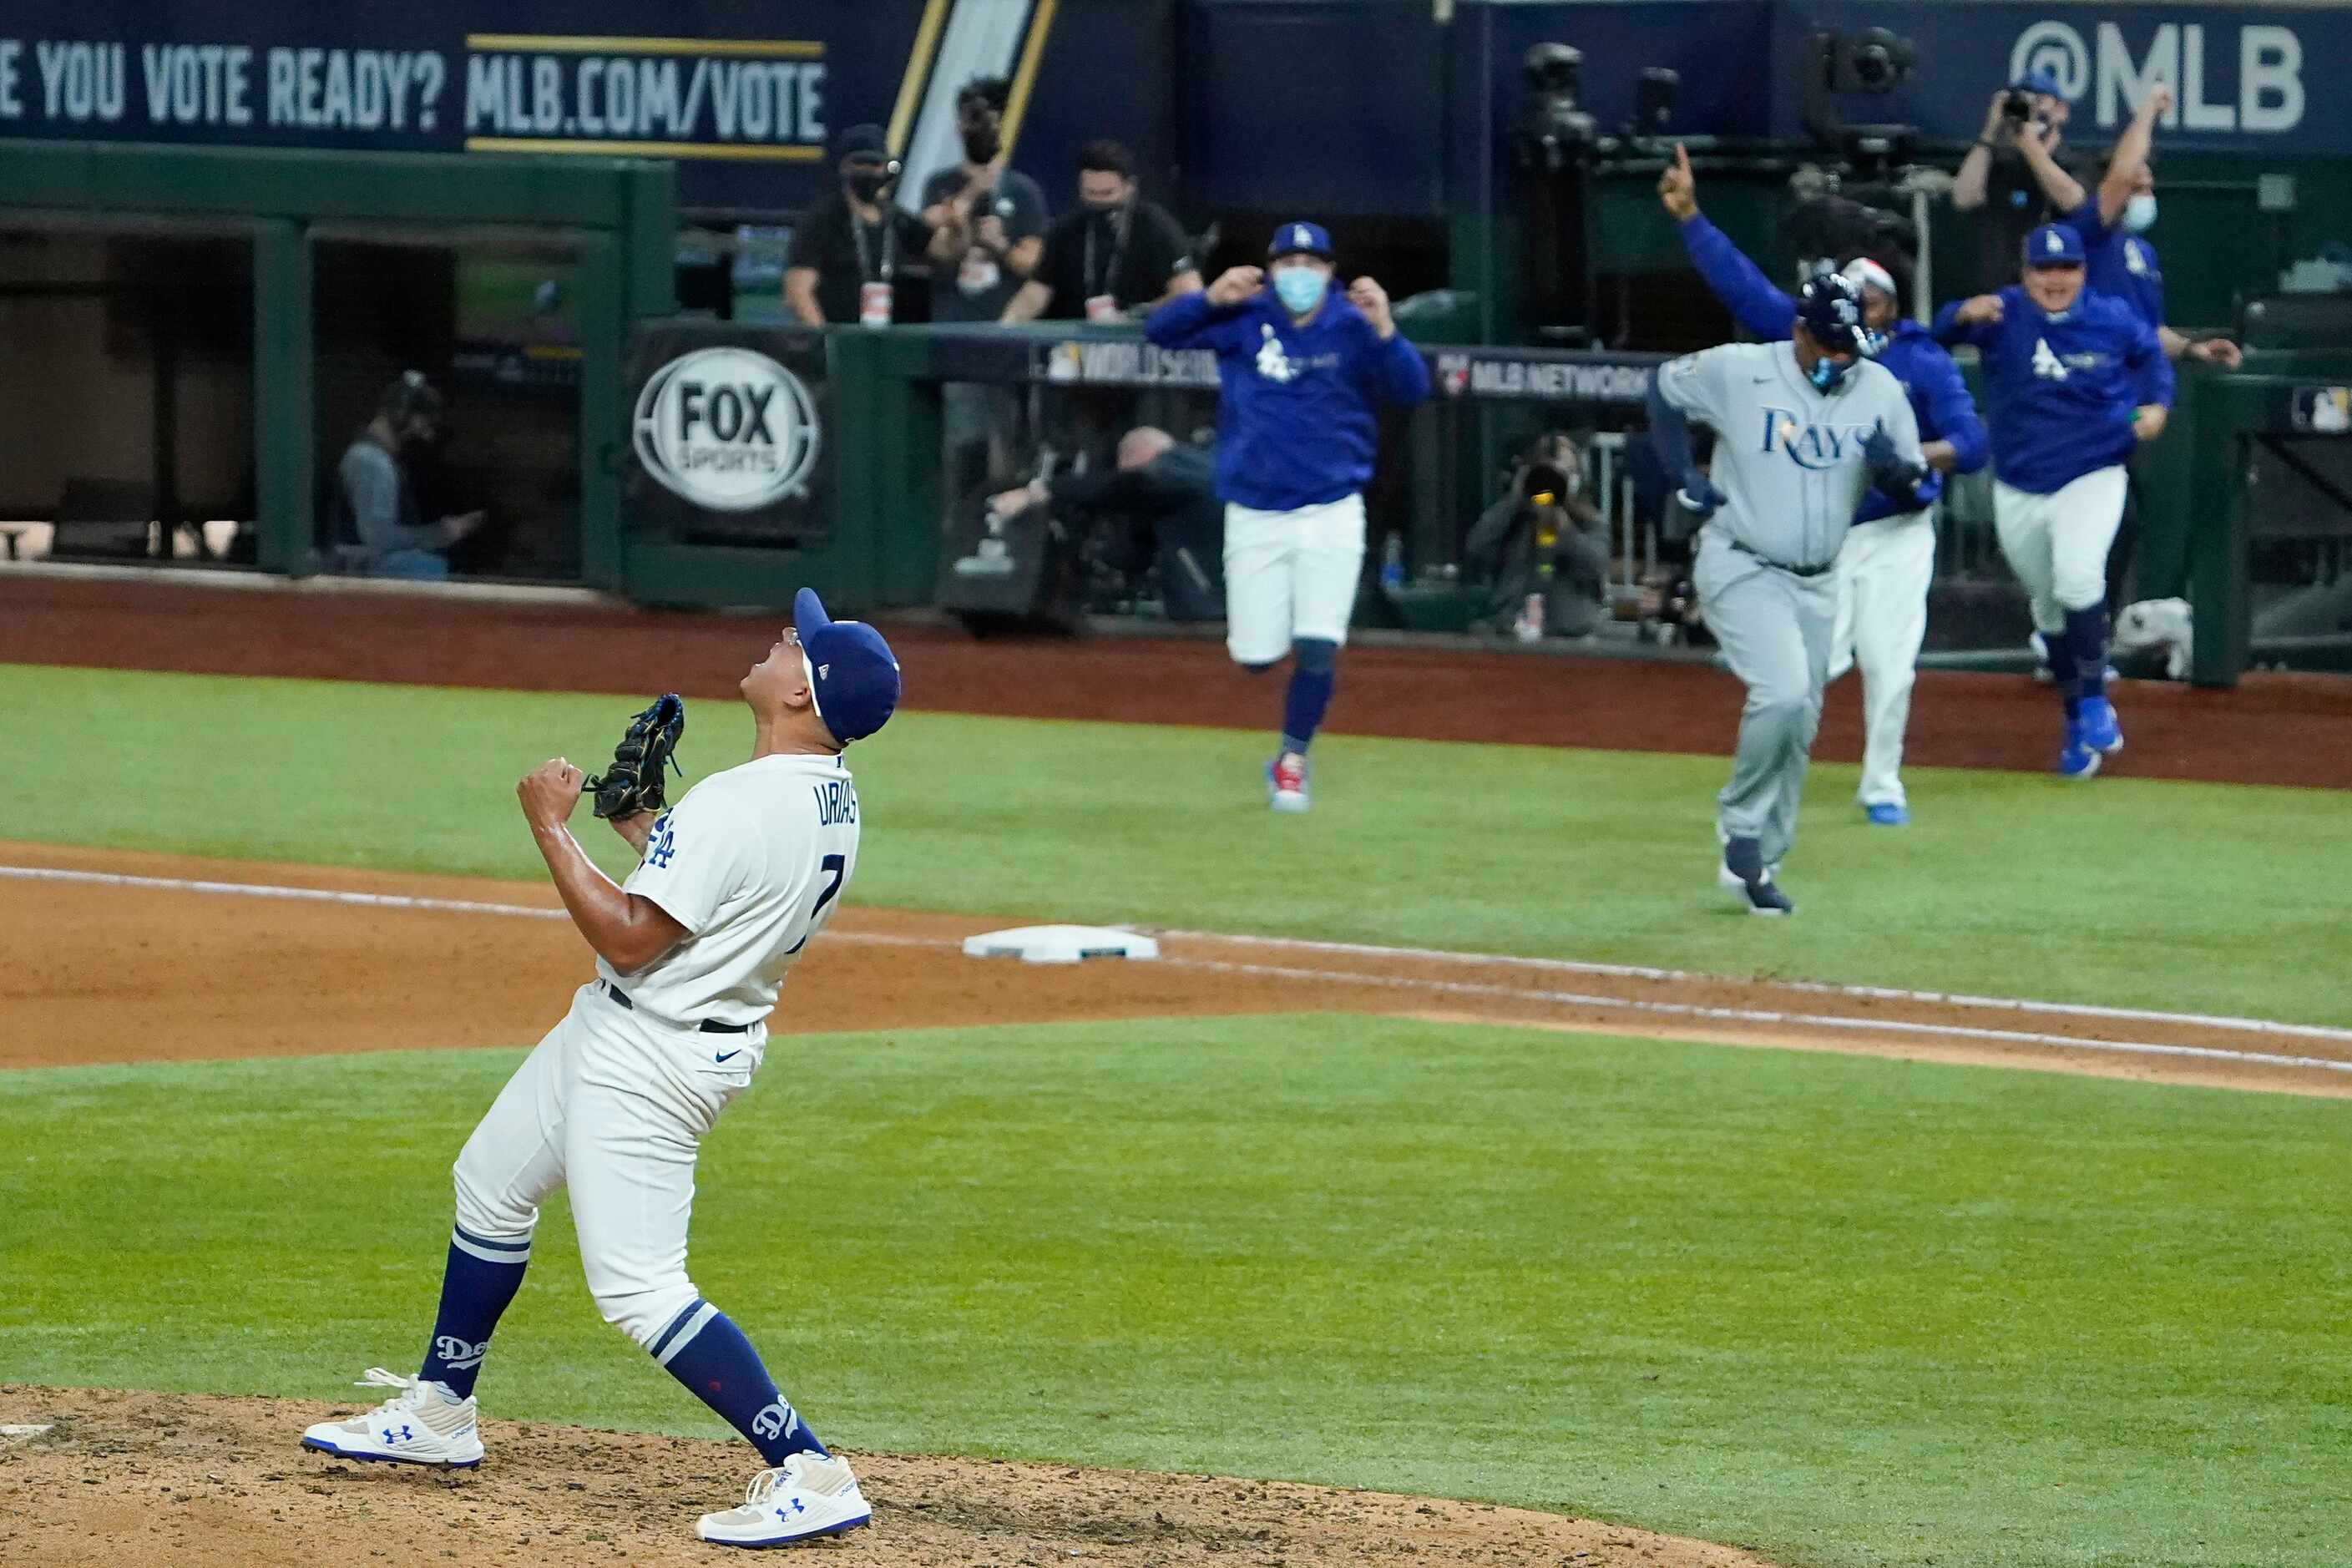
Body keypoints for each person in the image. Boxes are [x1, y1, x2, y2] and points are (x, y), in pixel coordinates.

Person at [297, 589, 903, 1550]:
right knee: (490, 1186)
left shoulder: (740, 803)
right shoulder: (826, 793)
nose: (783, 639)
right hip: (639, 1030)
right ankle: (441, 1410)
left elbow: (631, 938)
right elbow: (717, 893)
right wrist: (645, 827)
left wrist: (550, 825)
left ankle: (809, 1469)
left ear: (804, 697)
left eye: (798, 645)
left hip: (653, 1055)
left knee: (640, 1289)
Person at [1659, 143, 1988, 827]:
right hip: (1828, 532)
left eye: (1872, 300)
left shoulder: (1920, 362)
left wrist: (1909, 453)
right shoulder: (1814, 338)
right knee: (1807, 670)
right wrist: (1692, 219)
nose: (1860, 308)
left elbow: (1972, 442)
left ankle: (1881, 784)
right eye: (1852, 296)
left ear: (1892, 305)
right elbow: (1740, 284)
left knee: (1889, 663)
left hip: (1896, 531)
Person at [1646, 273, 1929, 914]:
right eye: (1826, 344)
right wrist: (1683, 474)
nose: (1837, 358)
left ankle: (1759, 865)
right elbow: (1661, 388)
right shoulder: (1740, 370)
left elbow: (1915, 489)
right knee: (1781, 690)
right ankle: (1739, 826)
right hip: (1742, 562)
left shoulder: (1879, 389)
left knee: (1800, 722)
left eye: (1847, 347)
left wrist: (1899, 480)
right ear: (1799, 331)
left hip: (1820, 577)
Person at [1145, 220, 1429, 810]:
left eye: (1312, 263)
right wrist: (1208, 297)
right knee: (1253, 656)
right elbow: (1160, 333)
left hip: (1331, 508)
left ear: (1329, 271)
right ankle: (1284, 740)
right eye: (1289, 262)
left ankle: (1292, 760)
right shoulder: (1243, 317)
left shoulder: (1351, 325)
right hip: (1255, 511)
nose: (1300, 274)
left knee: (1319, 644)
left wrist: (1384, 327)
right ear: (1271, 268)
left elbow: (1410, 388)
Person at [1934, 224, 2173, 779]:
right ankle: (2076, 719)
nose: (2055, 279)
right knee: (2047, 610)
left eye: (2066, 268)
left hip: (2092, 472)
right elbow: (1933, 336)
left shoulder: (2109, 316)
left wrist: (2157, 404)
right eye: (2044, 269)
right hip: (2019, 482)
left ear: (2082, 272)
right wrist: (1957, 314)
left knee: (2077, 579)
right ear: (2025, 273)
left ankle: (2092, 703)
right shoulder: (2003, 314)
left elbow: (2152, 359)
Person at [2015, 83, 2244, 620]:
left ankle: (2088, 630)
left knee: (2125, 520)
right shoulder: (2091, 235)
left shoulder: (2142, 252)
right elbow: (2116, 177)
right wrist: (2148, 112)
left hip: (2130, 398)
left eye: (2149, 184)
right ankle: (2061, 627)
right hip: (2084, 391)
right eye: (2136, 185)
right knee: (2097, 518)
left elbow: (2151, 329)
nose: (2143, 192)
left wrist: (2193, 349)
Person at [920, 75, 1050, 494]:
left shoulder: (1023, 191)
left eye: (986, 118)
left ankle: (1006, 520)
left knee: (1011, 434)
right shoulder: (940, 186)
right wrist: (963, 220)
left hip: (1008, 333)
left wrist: (999, 246)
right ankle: (964, 521)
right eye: (968, 119)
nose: (976, 128)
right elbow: (939, 253)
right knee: (964, 437)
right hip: (956, 329)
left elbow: (1032, 263)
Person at [989, 426, 1226, 622]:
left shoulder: (1174, 466)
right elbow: (1135, 554)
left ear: (1134, 458)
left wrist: (1039, 491)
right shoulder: (1196, 473)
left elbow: (1120, 486)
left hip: (1210, 610)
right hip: (1225, 606)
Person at [1000, 140, 1200, 323]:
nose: (1099, 201)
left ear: (1129, 187)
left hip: (1141, 341)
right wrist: (1006, 326)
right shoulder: (1066, 230)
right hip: (1079, 344)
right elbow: (1037, 291)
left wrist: (1135, 314)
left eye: (1107, 193)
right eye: (1091, 193)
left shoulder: (1155, 226)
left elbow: (1188, 292)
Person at [1950, 68, 2096, 297]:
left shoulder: (2077, 163)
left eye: (2039, 100)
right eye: (2024, 102)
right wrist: (1991, 131)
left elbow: (2071, 202)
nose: (2032, 110)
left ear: (2062, 111)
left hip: (2056, 294)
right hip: (2000, 296)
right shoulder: (1998, 163)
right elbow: (1964, 198)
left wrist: (2028, 144)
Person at [329, 372, 483, 579]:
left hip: (367, 576)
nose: (425, 434)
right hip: (362, 581)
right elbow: (378, 538)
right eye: (422, 423)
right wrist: (440, 534)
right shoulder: (370, 460)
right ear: (401, 412)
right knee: (428, 568)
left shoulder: (377, 459)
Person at [1460, 432, 1612, 640]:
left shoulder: (1590, 521)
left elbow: (1596, 565)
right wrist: (1516, 498)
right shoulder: (1514, 516)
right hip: (1511, 631)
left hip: (1569, 634)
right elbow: (1476, 547)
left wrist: (1565, 529)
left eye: (1566, 471)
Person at [784, 124, 933, 327]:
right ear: (844, 166)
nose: (869, 170)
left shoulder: (899, 220)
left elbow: (942, 253)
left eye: (875, 163)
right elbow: (798, 291)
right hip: (843, 338)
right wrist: (827, 341)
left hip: (894, 341)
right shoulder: (822, 220)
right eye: (860, 162)